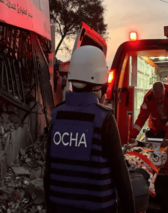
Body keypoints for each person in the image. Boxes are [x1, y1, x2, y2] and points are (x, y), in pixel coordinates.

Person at [44, 46, 136, 213]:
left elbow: (48, 172)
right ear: (99, 82)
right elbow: (121, 177)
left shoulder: (57, 115)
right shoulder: (104, 118)